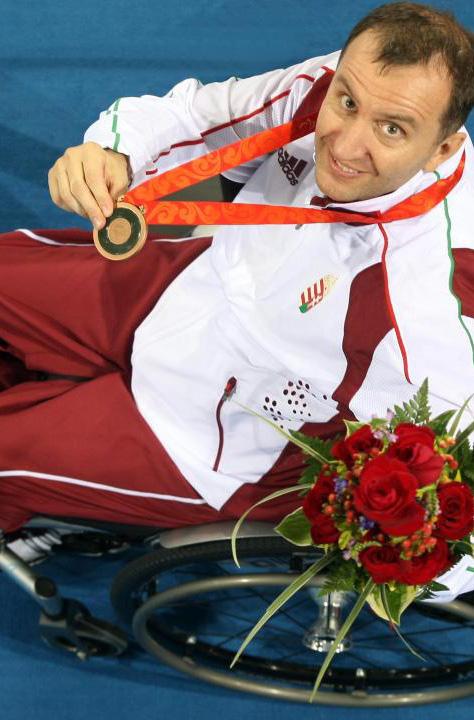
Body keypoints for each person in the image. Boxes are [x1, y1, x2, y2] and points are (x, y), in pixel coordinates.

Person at [1, 2, 474, 600]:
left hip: (207, 437)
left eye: (392, 130)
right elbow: (193, 114)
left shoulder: (428, 304)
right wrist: (110, 152)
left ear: (441, 149)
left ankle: (48, 508)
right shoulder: (339, 85)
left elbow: (457, 532)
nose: (347, 144)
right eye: (349, 103)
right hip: (179, 290)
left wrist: (384, 558)